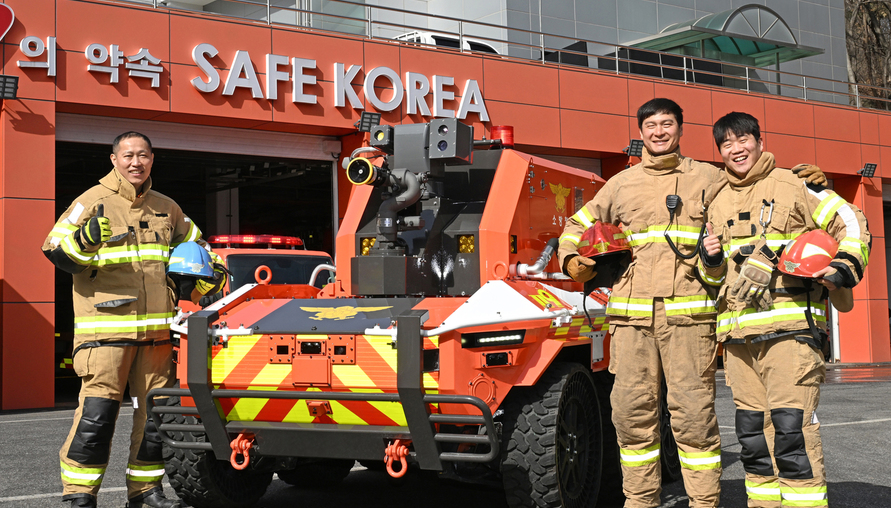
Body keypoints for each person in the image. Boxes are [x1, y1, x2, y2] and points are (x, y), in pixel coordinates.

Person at [557, 98, 825, 508]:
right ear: (641, 132)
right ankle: (640, 501)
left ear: (681, 130)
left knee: (694, 419)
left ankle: (703, 502)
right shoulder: (620, 184)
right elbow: (577, 224)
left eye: (667, 124)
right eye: (651, 125)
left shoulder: (708, 177)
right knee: (631, 417)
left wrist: (806, 183)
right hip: (631, 322)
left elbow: (750, 186)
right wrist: (570, 258)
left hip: (691, 320)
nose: (659, 132)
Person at [42, 132, 224, 508]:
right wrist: (85, 238)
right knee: (97, 418)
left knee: (153, 419)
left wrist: (212, 274)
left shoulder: (167, 208)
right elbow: (55, 250)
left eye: (143, 155)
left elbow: (202, 252)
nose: (135, 162)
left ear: (152, 159)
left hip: (157, 338)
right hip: (104, 336)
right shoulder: (91, 202)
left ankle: (144, 492)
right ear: (114, 159)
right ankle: (80, 496)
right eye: (127, 155)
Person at [700, 112, 870, 507]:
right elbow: (714, 277)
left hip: (790, 334)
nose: (736, 149)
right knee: (753, 439)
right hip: (738, 340)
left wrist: (841, 268)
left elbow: (851, 220)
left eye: (743, 139)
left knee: (792, 434)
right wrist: (711, 261)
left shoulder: (795, 184)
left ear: (760, 142)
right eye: (726, 144)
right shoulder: (716, 201)